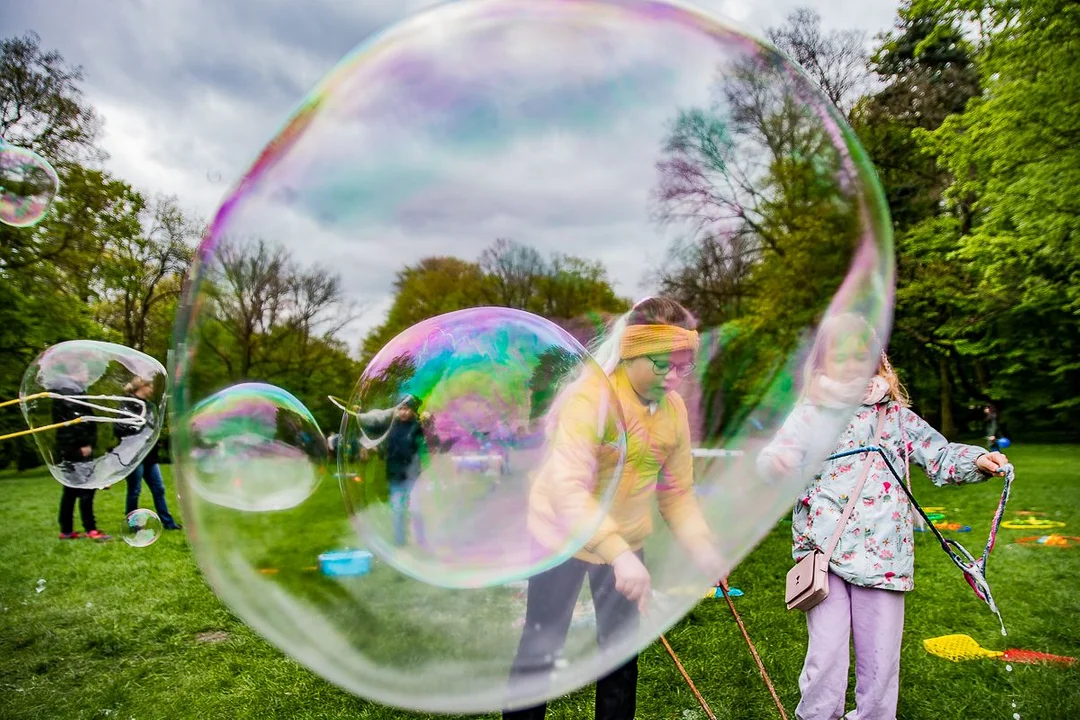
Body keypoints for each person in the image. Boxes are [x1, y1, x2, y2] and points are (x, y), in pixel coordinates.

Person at [758, 313, 1010, 720]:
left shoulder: (895, 417)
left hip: (884, 558)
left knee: (880, 663)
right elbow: (773, 457)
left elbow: (940, 455)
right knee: (825, 658)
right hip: (824, 555)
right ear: (822, 362)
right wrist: (777, 464)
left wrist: (978, 460)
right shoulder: (809, 415)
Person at [504, 297, 723, 720]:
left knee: (621, 658)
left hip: (623, 539)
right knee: (540, 648)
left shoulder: (672, 409)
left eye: (684, 366)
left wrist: (702, 547)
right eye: (665, 365)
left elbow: (676, 491)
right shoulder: (590, 398)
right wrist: (618, 554)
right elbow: (567, 489)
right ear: (631, 351)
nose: (676, 378)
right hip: (561, 537)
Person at [357, 394, 428, 547]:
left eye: (407, 409)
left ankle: (421, 541)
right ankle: (400, 542)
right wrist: (360, 413)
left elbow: (428, 440)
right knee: (397, 510)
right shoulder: (390, 426)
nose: (403, 412)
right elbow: (372, 425)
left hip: (413, 475)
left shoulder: (417, 426)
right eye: (400, 409)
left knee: (416, 509)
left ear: (413, 411)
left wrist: (427, 421)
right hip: (394, 474)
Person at [53, 379, 109, 540]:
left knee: (70, 491)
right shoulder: (70, 393)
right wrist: (84, 443)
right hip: (77, 450)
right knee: (86, 490)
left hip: (69, 448)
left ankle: (66, 530)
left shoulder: (66, 390)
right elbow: (77, 421)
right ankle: (90, 529)